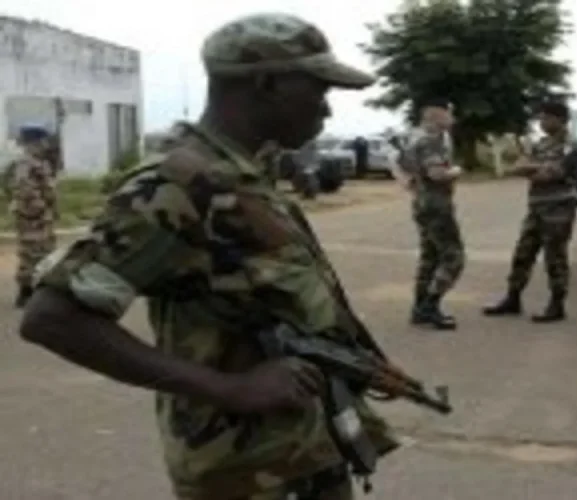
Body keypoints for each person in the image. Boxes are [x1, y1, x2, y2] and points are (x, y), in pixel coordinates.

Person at [20, 13, 399, 500]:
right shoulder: (174, 187)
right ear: (265, 83)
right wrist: (229, 389)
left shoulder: (243, 175)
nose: (326, 110)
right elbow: (52, 318)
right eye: (317, 88)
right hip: (244, 474)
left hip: (303, 454)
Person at [483, 102, 577, 322]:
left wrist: (530, 169)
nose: (542, 123)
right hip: (536, 207)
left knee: (555, 258)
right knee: (523, 254)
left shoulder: (570, 145)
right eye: (541, 118)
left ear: (561, 120)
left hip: (558, 209)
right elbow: (523, 164)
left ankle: (557, 304)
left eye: (547, 118)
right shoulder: (541, 143)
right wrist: (532, 168)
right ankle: (513, 298)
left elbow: (552, 173)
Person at [406, 98, 465, 330]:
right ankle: (430, 305)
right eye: (448, 113)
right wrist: (456, 171)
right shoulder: (431, 141)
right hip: (436, 205)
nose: (452, 118)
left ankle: (419, 308)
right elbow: (437, 174)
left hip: (421, 203)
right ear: (435, 114)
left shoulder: (415, 138)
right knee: (453, 257)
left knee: (429, 257)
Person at [8, 124, 57, 308]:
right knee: (31, 253)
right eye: (42, 141)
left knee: (44, 252)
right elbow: (26, 190)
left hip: (42, 216)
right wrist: (41, 209)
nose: (45, 145)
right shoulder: (25, 163)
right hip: (32, 217)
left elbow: (47, 187)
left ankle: (35, 290)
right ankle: (26, 293)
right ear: (33, 143)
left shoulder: (39, 162)